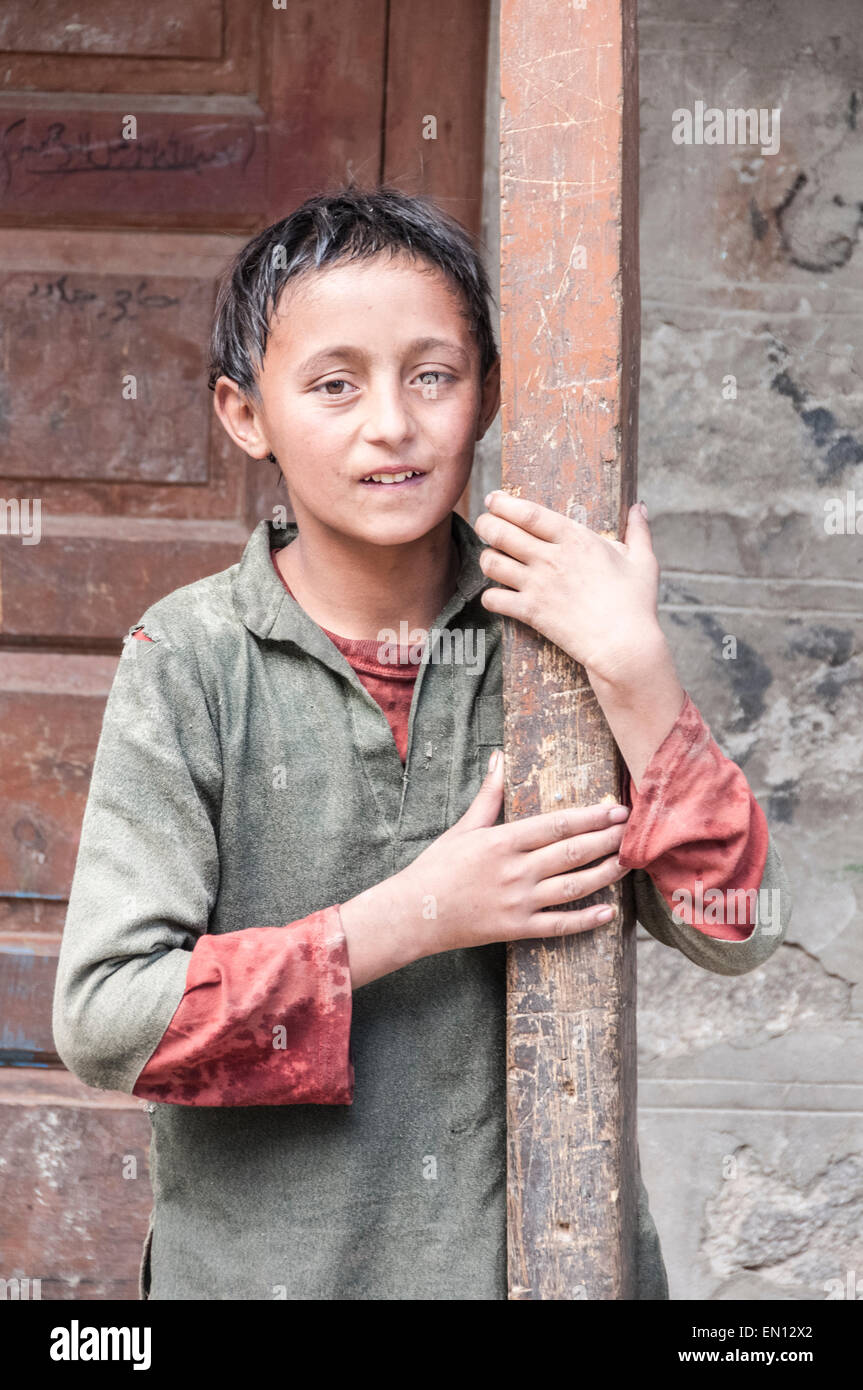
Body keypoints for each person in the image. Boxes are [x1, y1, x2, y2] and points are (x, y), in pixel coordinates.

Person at [52, 184, 791, 1301]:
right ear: (244, 413)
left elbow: (734, 931)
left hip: (537, 1273)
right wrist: (410, 919)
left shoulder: (550, 636)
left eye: (431, 374)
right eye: (334, 383)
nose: (389, 422)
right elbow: (107, 1019)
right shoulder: (189, 658)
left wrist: (637, 678)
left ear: (486, 394)